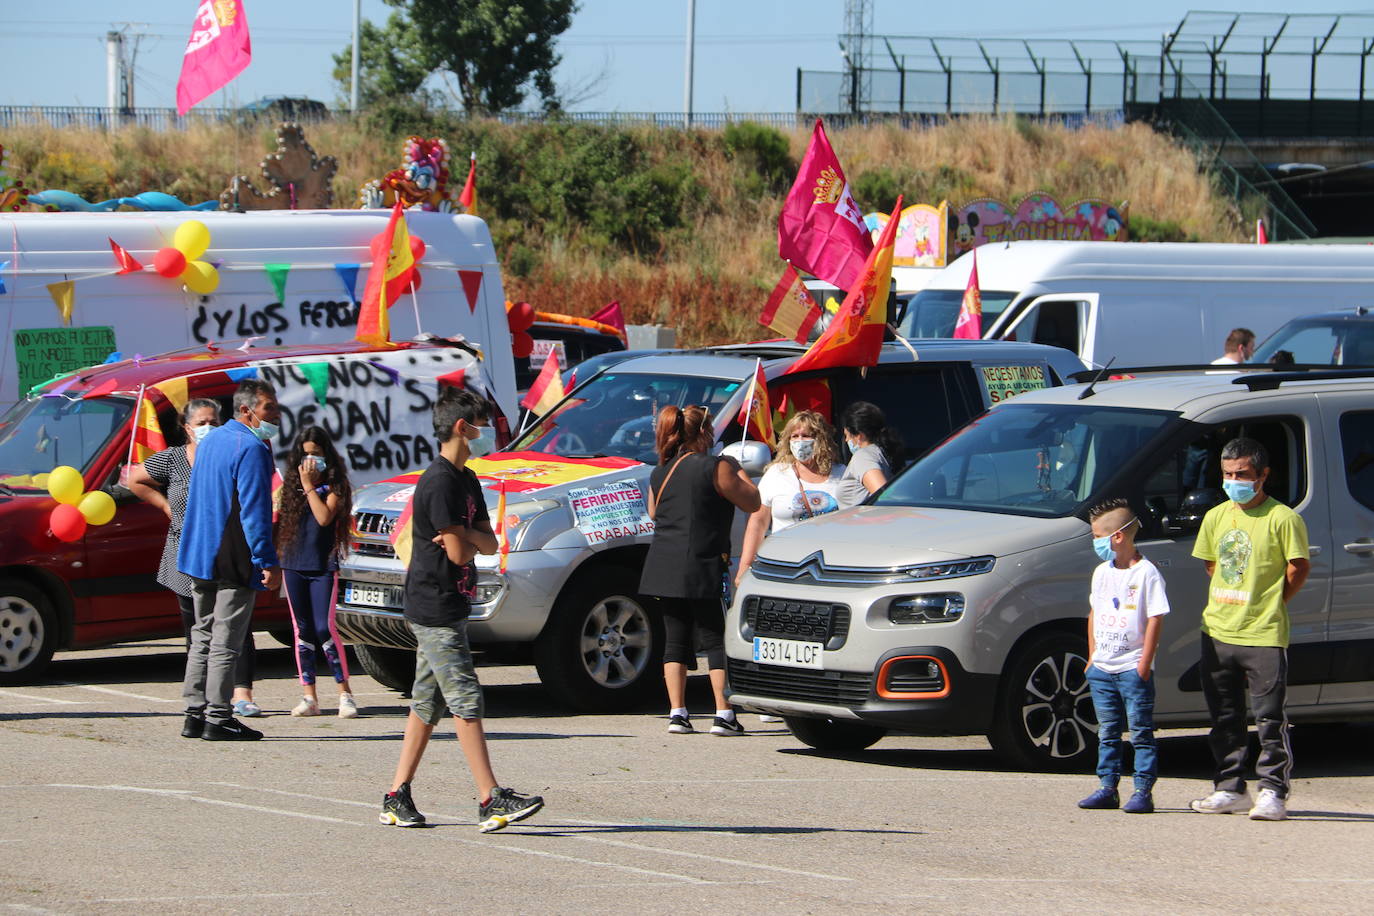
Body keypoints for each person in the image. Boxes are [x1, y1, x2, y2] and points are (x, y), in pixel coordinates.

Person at [380, 387, 544, 832]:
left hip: (454, 600)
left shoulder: (467, 479)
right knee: (465, 698)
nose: (488, 431)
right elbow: (458, 554)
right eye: (481, 423)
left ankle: (397, 795)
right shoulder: (437, 482)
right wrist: (469, 540)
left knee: (427, 701)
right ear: (461, 427)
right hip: (433, 602)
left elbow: (487, 543)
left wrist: (467, 536)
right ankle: (491, 798)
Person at [1189, 437, 1310, 821]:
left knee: (1269, 718)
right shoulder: (1217, 516)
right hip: (1218, 630)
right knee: (1225, 717)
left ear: (1263, 475)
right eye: (1228, 474)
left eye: (1242, 474)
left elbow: (1298, 568)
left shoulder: (1283, 518)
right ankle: (1229, 787)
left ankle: (1273, 790)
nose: (1234, 480)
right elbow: (1212, 565)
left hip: (1263, 635)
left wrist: (1270, 602)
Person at [129, 398, 261, 720]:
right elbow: (134, 479)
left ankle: (240, 693)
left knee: (234, 629)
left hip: (227, 552)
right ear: (186, 428)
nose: (209, 428)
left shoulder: (226, 453)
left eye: (214, 422)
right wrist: (165, 506)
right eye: (201, 423)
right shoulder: (174, 459)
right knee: (199, 630)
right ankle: (201, 704)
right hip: (187, 553)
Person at [641, 405, 760, 736]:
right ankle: (724, 714)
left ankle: (677, 713)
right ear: (705, 433)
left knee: (675, 638)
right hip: (703, 562)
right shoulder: (717, 466)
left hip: (664, 564)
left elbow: (653, 512)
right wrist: (737, 468)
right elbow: (752, 501)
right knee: (714, 637)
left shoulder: (660, 470)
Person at [177, 379, 282, 742]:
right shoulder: (251, 447)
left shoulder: (212, 440)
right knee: (226, 638)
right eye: (269, 408)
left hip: (200, 550)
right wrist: (267, 560)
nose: (277, 415)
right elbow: (255, 511)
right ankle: (219, 715)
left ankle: (194, 712)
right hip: (231, 553)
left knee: (202, 633)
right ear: (246, 409)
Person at [1077, 498, 1170, 815]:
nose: (1094, 542)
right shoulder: (1102, 573)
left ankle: (1143, 790)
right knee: (1107, 731)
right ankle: (1107, 787)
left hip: (1132, 668)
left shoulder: (1147, 574)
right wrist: (1091, 657)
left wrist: (1144, 663)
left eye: (1096, 536)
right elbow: (1093, 613)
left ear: (1116, 536)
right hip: (1102, 667)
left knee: (1141, 732)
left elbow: (1156, 617)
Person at [276, 425, 357, 719]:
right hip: (293, 563)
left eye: (317, 455)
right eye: (306, 455)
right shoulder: (290, 485)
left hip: (323, 565)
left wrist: (309, 485)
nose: (311, 461)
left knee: (325, 628)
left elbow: (324, 517)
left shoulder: (335, 486)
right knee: (303, 630)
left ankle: (344, 693)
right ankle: (309, 694)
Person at [738, 410, 855, 586]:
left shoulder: (842, 474)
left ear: (820, 439)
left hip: (830, 568)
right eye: (794, 436)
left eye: (806, 435)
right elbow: (758, 522)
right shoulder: (776, 474)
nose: (799, 441)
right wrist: (745, 566)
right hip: (783, 567)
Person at [839, 401, 903, 498]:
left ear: (859, 435)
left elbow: (884, 498)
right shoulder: (880, 452)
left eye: (847, 435)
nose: (847, 440)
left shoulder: (863, 457)